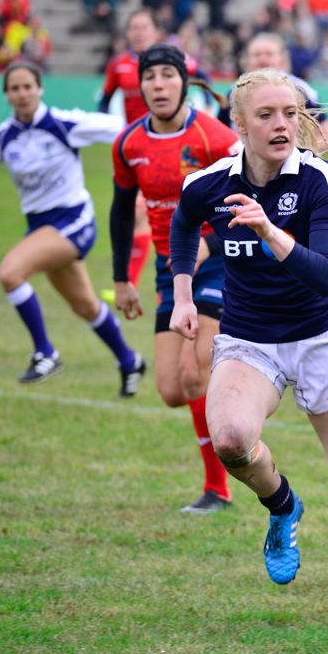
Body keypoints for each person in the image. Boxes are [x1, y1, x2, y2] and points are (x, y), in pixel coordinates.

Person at [168, 68, 328, 622]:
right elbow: (184, 223)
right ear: (239, 125)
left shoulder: (319, 181)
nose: (282, 124)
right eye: (266, 115)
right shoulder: (208, 183)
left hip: (319, 339)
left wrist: (267, 229)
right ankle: (282, 506)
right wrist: (183, 295)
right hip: (247, 338)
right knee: (232, 441)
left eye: (290, 113)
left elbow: (326, 277)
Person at [110, 44, 243, 514]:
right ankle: (243, 384)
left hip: (218, 260)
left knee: (193, 373)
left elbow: (245, 197)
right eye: (151, 77)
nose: (159, 84)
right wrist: (121, 278)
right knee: (171, 389)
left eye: (168, 75)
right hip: (171, 269)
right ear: (140, 85)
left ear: (183, 82)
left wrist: (210, 241)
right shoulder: (129, 143)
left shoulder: (214, 137)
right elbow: (123, 210)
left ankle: (219, 489)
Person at [0, 62, 146, 394]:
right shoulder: (6, 136)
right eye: (14, 88)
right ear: (6, 94)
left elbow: (122, 128)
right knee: (85, 306)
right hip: (40, 228)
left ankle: (45, 352)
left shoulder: (64, 124)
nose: (22, 94)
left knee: (10, 273)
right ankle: (129, 360)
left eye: (27, 87)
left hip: (73, 221)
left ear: (40, 88)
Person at [100, 9, 202, 290]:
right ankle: (158, 279)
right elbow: (105, 99)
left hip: (166, 146)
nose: (138, 32)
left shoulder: (173, 59)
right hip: (133, 149)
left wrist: (213, 110)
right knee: (138, 213)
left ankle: (145, 278)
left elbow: (201, 76)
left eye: (143, 27)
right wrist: (111, 129)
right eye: (133, 27)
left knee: (143, 213)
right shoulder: (119, 64)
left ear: (155, 31)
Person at [217, 32, 328, 148]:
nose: (262, 59)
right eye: (256, 54)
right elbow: (218, 135)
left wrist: (294, 153)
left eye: (269, 54)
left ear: (282, 59)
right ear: (246, 60)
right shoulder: (233, 93)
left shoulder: (301, 90)